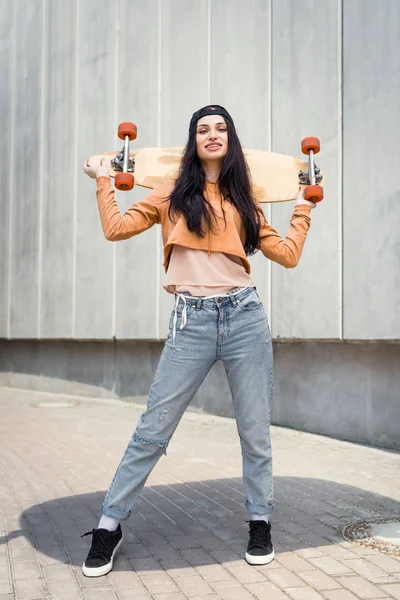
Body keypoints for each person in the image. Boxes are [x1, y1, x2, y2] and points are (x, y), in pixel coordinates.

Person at [82, 104, 315, 577]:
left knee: (255, 432)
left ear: (230, 139)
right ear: (193, 141)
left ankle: (259, 520)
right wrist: (104, 180)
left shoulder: (245, 198)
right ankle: (110, 524)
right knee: (153, 430)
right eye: (203, 129)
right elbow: (116, 228)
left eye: (221, 128)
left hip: (245, 316)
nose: (212, 135)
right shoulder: (171, 192)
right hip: (191, 321)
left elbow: (287, 256)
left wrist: (304, 207)